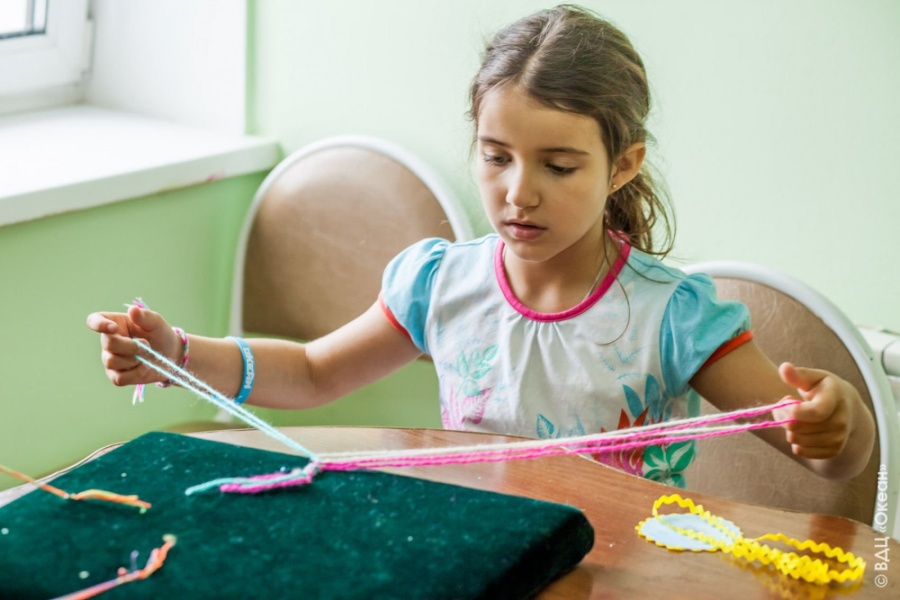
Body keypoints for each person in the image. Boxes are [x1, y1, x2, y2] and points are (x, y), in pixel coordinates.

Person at [87, 4, 873, 487]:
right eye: (496, 156)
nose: (518, 192)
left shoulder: (672, 318)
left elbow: (827, 458)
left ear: (623, 165)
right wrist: (177, 353)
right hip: (481, 556)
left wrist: (839, 425)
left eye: (558, 166)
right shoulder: (441, 283)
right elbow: (316, 372)